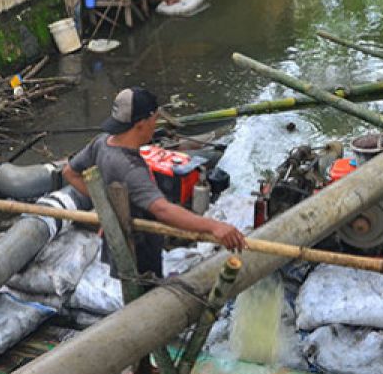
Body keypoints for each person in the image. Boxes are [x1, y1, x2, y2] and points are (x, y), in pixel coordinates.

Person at [62, 87, 246, 278]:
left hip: (116, 237)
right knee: (144, 290)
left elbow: (69, 172)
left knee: (127, 285)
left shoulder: (101, 142)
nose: (155, 125)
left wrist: (108, 213)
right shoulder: (131, 169)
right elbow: (163, 210)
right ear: (141, 124)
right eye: (154, 119)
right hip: (139, 248)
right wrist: (214, 226)